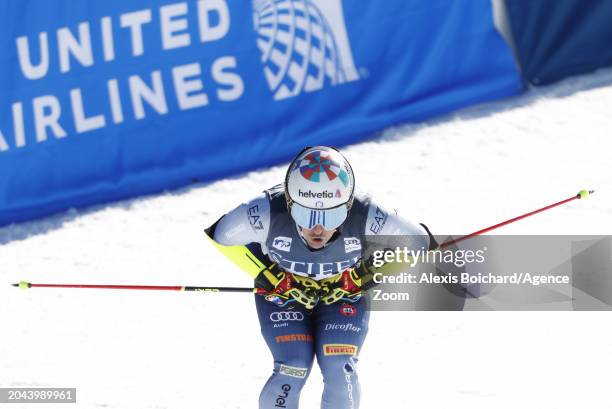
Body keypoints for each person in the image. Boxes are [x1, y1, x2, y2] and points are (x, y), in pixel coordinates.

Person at [205, 146, 433, 409]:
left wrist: (365, 276)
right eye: (305, 214)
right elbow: (222, 237)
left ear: (347, 206)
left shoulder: (366, 213)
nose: (318, 228)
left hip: (344, 296)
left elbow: (419, 243)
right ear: (290, 203)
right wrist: (270, 275)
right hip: (282, 298)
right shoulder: (266, 211)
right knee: (293, 366)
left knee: (339, 367)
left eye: (332, 215)